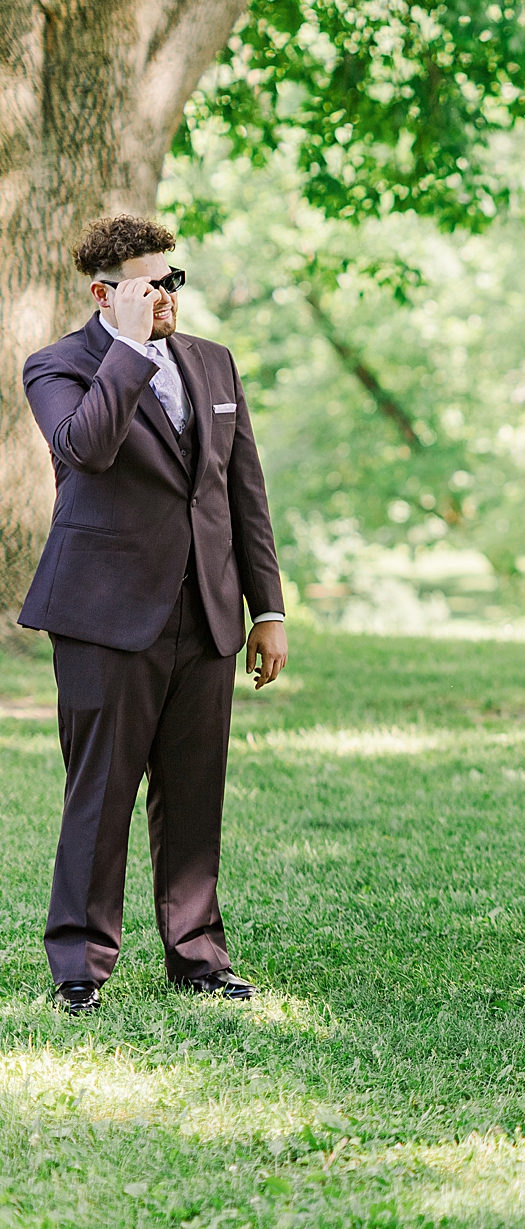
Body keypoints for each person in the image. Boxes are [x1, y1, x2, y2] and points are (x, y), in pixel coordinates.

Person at [18, 214, 288, 1015]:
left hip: (205, 610)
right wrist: (130, 349)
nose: (169, 295)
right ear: (106, 294)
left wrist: (266, 607)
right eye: (150, 285)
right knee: (99, 791)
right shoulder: (57, 366)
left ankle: (199, 955)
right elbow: (86, 449)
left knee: (194, 789)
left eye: (173, 280)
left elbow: (245, 493)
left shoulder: (213, 362)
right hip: (106, 614)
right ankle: (80, 965)